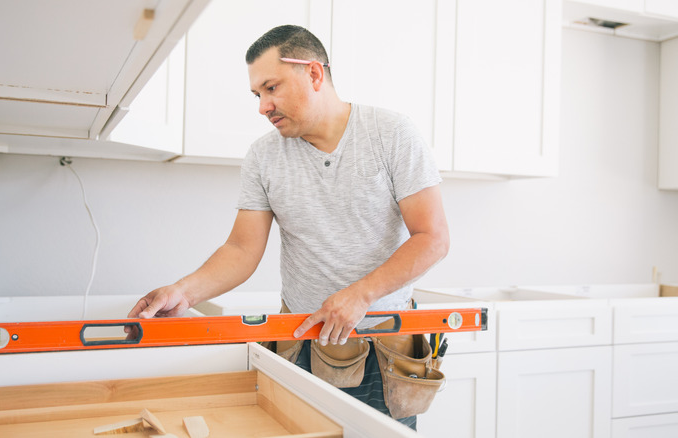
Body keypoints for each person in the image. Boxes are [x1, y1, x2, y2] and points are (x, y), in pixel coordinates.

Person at [128, 24, 449, 429]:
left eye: (271, 88)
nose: (263, 106)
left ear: (314, 74)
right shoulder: (263, 156)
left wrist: (360, 295)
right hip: (299, 343)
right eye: (257, 94)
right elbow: (241, 251)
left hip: (383, 347)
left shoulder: (392, 135)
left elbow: (433, 238)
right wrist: (183, 292)